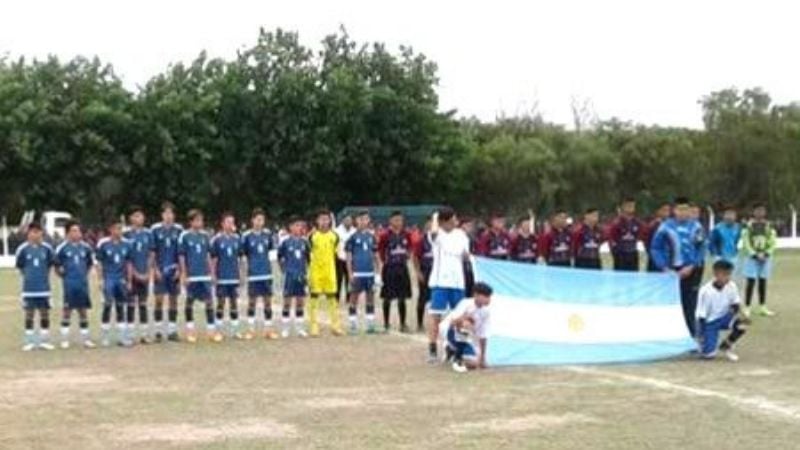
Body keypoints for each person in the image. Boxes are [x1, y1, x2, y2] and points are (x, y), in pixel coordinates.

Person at [649, 198, 704, 336]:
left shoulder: (696, 227)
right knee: (670, 303)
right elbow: (656, 248)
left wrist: (692, 265)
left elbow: (702, 248)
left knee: (690, 303)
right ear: (674, 211)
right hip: (671, 272)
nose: (683, 212)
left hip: (691, 271)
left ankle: (691, 334)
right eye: (680, 209)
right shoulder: (665, 227)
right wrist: (664, 267)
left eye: (685, 209)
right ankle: (669, 334)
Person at [426, 207, 472, 363]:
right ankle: (432, 348)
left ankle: (454, 347)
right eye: (452, 218)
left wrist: (468, 257)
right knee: (436, 314)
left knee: (458, 316)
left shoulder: (461, 235)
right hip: (440, 282)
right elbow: (433, 234)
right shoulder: (437, 233)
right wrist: (435, 218)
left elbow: (466, 255)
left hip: (458, 282)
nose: (455, 221)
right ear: (444, 221)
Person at [179, 209, 221, 343]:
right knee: (189, 302)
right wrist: (184, 274)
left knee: (209, 302)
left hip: (205, 275)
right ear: (191, 221)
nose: (200, 222)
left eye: (201, 220)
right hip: (192, 275)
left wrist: (212, 273)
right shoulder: (184, 236)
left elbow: (209, 255)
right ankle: (190, 331)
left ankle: (211, 332)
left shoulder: (205, 236)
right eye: (197, 220)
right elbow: (182, 256)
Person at [696, 260, 750, 362]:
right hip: (710, 322)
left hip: (725, 317)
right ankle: (706, 346)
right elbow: (701, 315)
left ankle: (726, 346)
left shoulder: (731, 286)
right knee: (709, 356)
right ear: (716, 274)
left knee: (743, 324)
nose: (728, 278)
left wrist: (743, 316)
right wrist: (701, 335)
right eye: (724, 274)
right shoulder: (705, 291)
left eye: (729, 274)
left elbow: (736, 304)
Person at [55, 220, 95, 349]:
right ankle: (64, 340)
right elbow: (57, 265)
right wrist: (62, 274)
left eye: (78, 230)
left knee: (83, 311)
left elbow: (89, 264)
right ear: (67, 233)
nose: (77, 233)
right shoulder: (62, 248)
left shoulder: (86, 248)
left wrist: (83, 275)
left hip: (82, 284)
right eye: (74, 230)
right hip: (69, 284)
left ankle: (85, 339)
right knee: (67, 311)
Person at [15, 222, 56, 351]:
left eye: (38, 232)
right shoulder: (22, 249)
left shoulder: (47, 249)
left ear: (41, 233)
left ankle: (44, 341)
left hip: (44, 288)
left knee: (45, 314)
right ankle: (29, 341)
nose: (36, 235)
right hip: (29, 289)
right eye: (33, 232)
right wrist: (27, 279)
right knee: (29, 314)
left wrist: (45, 280)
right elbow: (20, 268)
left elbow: (50, 266)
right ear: (28, 233)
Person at [241, 208, 278, 339]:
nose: (259, 222)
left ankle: (268, 329)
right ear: (252, 220)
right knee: (252, 302)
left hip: (266, 274)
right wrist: (245, 273)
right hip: (253, 274)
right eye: (257, 219)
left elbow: (272, 254)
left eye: (262, 220)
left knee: (267, 302)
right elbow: (243, 256)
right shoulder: (246, 236)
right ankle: (250, 330)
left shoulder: (268, 235)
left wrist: (272, 271)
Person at [440, 282, 493, 373]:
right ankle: (458, 359)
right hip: (451, 332)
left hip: (468, 339)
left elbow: (483, 335)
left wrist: (483, 358)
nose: (488, 299)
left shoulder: (486, 312)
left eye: (489, 297)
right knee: (466, 324)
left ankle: (451, 351)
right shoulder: (466, 303)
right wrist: (465, 317)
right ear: (476, 295)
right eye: (485, 296)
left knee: (474, 363)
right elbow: (452, 322)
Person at [96, 220, 134, 347]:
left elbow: (129, 264)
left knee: (120, 307)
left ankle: (122, 337)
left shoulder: (127, 244)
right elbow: (99, 263)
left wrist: (129, 280)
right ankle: (105, 337)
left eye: (120, 228)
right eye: (116, 228)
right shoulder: (103, 243)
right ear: (110, 229)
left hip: (120, 279)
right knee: (107, 305)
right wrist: (100, 279)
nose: (119, 231)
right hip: (109, 279)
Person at [151, 202, 183, 342]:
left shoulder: (179, 230)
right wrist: (155, 268)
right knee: (158, 300)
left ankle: (172, 330)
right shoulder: (155, 230)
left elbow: (181, 252)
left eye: (171, 213)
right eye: (166, 213)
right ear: (162, 215)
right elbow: (152, 251)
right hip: (160, 269)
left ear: (174, 215)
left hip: (174, 269)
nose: (168, 216)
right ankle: (158, 331)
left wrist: (180, 269)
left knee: (173, 299)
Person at [308, 210, 343, 337]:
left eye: (326, 219)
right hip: (316, 272)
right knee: (314, 299)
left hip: (330, 272)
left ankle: (335, 325)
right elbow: (308, 255)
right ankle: (313, 326)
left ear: (330, 221)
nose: (324, 222)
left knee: (332, 298)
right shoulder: (312, 237)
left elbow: (337, 254)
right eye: (321, 219)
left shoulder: (334, 237)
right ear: (317, 221)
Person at [378, 211, 414, 333]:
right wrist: (384, 261)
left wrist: (407, 255)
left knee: (402, 297)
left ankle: (403, 323)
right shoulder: (385, 235)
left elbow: (410, 247)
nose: (398, 222)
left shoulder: (406, 234)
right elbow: (380, 250)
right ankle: (386, 323)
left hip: (402, 268)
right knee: (387, 297)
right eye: (396, 220)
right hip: (389, 269)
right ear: (391, 221)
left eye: (400, 220)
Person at [345, 210, 381, 334]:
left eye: (366, 219)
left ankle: (370, 325)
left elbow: (376, 256)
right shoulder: (352, 238)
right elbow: (349, 258)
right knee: (353, 298)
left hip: (370, 273)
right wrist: (350, 273)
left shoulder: (372, 237)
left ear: (368, 220)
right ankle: (352, 325)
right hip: (357, 274)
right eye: (361, 219)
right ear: (356, 221)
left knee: (370, 298)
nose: (363, 222)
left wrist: (378, 274)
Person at [740, 203, 777, 317]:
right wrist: (754, 254)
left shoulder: (768, 226)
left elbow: (772, 241)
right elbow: (746, 242)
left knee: (762, 282)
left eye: (762, 210)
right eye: (758, 210)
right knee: (750, 282)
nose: (760, 213)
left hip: (765, 258)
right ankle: (747, 307)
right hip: (751, 258)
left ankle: (762, 306)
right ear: (754, 212)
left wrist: (766, 254)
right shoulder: (748, 226)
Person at [124, 206, 154, 344]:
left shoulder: (148, 234)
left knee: (143, 303)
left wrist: (147, 272)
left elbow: (151, 254)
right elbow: (126, 257)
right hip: (130, 275)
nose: (139, 218)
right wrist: (134, 274)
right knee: (130, 304)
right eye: (136, 216)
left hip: (145, 274)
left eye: (141, 216)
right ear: (131, 218)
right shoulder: (126, 235)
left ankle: (143, 334)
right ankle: (129, 335)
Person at [211, 212, 243, 339]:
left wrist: (241, 274)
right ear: (222, 224)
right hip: (222, 276)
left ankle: (235, 331)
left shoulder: (237, 239)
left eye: (232, 222)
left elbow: (240, 259)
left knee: (234, 302)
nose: (230, 225)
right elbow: (214, 259)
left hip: (234, 276)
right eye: (228, 222)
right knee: (221, 303)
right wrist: (213, 275)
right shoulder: (217, 239)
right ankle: (218, 331)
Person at [278, 217, 310, 338]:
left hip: (301, 275)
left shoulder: (304, 242)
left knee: (300, 302)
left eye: (300, 226)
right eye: (296, 225)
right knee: (287, 302)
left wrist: (306, 274)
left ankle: (299, 328)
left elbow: (308, 260)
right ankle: (285, 329)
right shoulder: (285, 242)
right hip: (289, 276)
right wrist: (284, 270)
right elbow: (279, 257)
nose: (299, 228)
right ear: (290, 227)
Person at [608, 197, 644, 271]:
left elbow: (640, 235)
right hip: (620, 254)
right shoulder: (616, 223)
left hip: (633, 253)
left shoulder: (637, 222)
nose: (631, 208)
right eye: (628, 206)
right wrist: (615, 251)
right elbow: (611, 238)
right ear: (623, 207)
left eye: (632, 206)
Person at [413, 216, 434, 331]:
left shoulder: (439, 240)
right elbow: (415, 257)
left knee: (436, 299)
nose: (431, 227)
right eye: (429, 225)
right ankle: (419, 323)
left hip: (436, 273)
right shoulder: (421, 241)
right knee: (423, 298)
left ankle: (435, 323)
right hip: (425, 272)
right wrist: (418, 272)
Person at [644, 202, 672, 272]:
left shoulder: (670, 225)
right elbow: (647, 242)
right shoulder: (653, 226)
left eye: (668, 210)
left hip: (668, 259)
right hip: (655, 260)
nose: (666, 213)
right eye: (664, 210)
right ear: (658, 211)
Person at [335, 214, 356, 304]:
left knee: (350, 279)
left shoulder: (354, 231)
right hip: (339, 258)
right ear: (343, 220)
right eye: (346, 220)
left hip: (351, 259)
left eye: (350, 220)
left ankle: (349, 298)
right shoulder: (336, 231)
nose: (348, 222)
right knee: (338, 279)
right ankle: (336, 298)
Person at [460, 217, 477, 298]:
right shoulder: (459, 237)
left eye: (471, 226)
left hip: (469, 266)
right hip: (461, 266)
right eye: (468, 225)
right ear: (462, 226)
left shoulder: (469, 238)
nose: (470, 228)